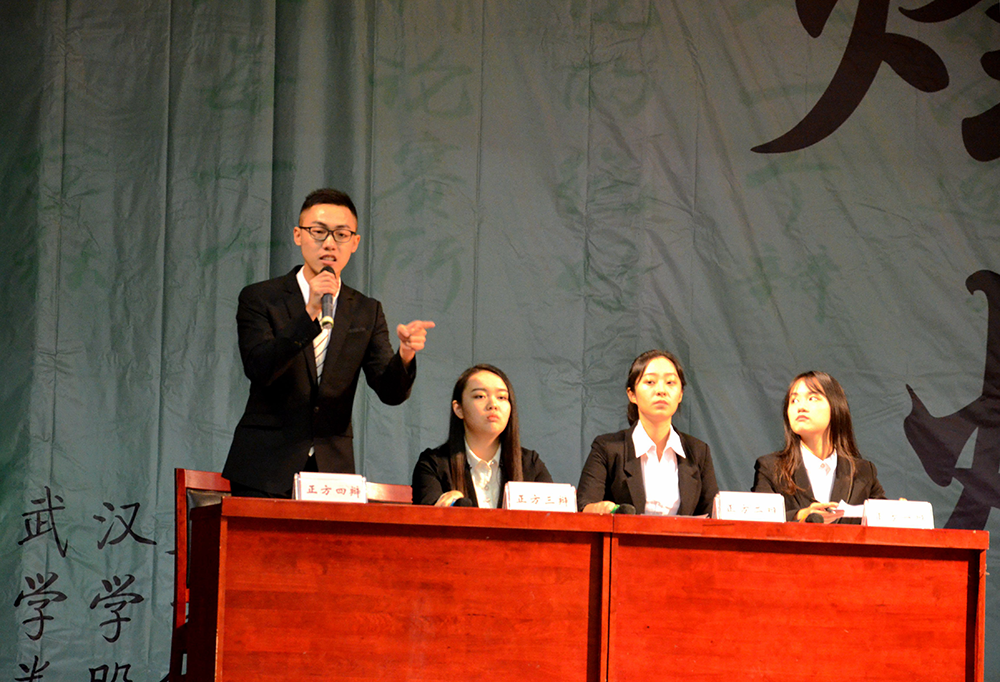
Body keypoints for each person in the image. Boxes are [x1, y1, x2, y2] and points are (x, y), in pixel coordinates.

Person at [223, 188, 435, 497]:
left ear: (355, 242)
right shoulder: (261, 297)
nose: (330, 243)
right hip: (264, 467)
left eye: (341, 234)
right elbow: (260, 368)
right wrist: (308, 313)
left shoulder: (366, 310)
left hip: (332, 472)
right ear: (298, 235)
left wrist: (404, 355)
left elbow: (390, 392)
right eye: (318, 232)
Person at [577, 350, 718, 515]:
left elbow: (712, 516)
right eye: (650, 382)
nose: (661, 390)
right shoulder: (607, 448)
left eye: (670, 382)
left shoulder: (699, 452)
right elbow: (584, 507)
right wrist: (603, 509)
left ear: (680, 394)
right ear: (632, 394)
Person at [752, 370, 886, 522]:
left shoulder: (863, 472)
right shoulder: (770, 468)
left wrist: (900, 513)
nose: (801, 407)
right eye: (794, 400)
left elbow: (884, 521)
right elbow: (759, 522)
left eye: (812, 398)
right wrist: (801, 516)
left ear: (835, 407)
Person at [412, 364, 552, 507]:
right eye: (480, 396)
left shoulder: (530, 465)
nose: (493, 404)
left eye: (502, 397)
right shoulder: (433, 465)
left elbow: (553, 515)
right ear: (459, 409)